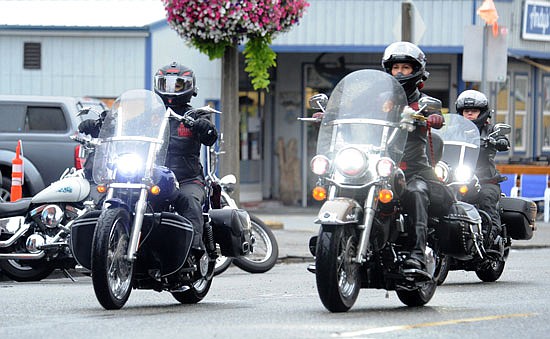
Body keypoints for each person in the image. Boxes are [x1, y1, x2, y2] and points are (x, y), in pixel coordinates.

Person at [381, 41, 445, 273]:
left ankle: (417, 254)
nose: (399, 72)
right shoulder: (379, 100)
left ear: (415, 71)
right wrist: (330, 114)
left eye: (405, 68)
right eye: (395, 67)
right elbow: (353, 110)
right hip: (378, 167)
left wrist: (435, 117)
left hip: (412, 169)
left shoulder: (421, 102)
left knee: (416, 192)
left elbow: (436, 114)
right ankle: (334, 241)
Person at [153, 62, 218, 252]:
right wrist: (103, 124)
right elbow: (126, 128)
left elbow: (210, 137)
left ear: (190, 87)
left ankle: (194, 249)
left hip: (187, 178)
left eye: (178, 85)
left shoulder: (195, 115)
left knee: (189, 201)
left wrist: (206, 128)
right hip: (152, 177)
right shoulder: (151, 115)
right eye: (166, 84)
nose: (172, 89)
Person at [456, 89, 509, 252]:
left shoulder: (490, 129)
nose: (469, 114)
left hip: (486, 179)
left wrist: (498, 140)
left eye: (474, 111)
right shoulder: (454, 129)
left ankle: (491, 238)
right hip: (458, 178)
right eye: (466, 111)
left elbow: (504, 141)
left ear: (483, 112)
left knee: (486, 197)